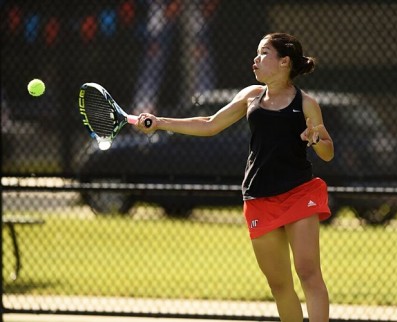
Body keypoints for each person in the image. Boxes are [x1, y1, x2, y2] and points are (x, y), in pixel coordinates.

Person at [135, 32, 334, 322]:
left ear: (284, 62)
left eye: (264, 53)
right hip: (258, 198)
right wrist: (161, 123)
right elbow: (209, 124)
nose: (256, 59)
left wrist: (316, 138)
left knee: (308, 272)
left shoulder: (306, 104)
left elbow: (328, 152)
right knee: (279, 284)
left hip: (299, 193)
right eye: (256, 53)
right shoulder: (251, 96)